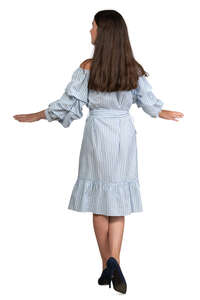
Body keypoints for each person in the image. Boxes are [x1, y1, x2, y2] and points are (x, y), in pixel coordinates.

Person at [13, 10, 184, 294]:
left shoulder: (88, 67)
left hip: (97, 135)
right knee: (117, 201)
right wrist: (162, 112)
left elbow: (68, 104)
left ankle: (107, 264)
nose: (89, 30)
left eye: (92, 26)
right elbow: (149, 102)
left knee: (99, 202)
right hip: (124, 136)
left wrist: (37, 115)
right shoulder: (133, 68)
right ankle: (114, 260)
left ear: (103, 32)